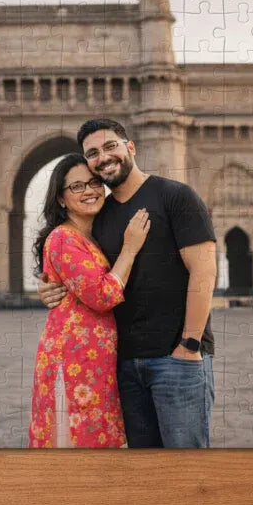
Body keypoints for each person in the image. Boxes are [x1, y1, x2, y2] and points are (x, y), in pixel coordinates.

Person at [39, 119, 218, 448]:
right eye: (93, 153)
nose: (103, 157)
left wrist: (190, 345)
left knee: (187, 471)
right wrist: (50, 286)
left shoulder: (176, 196)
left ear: (130, 147)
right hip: (122, 367)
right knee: (143, 473)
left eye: (110, 146)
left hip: (175, 359)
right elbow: (82, 269)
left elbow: (204, 272)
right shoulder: (99, 216)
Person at [28, 152, 150, 448]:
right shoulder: (62, 239)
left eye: (94, 183)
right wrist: (130, 250)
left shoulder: (93, 236)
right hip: (75, 361)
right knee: (78, 447)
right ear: (60, 198)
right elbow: (103, 295)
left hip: (96, 362)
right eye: (77, 186)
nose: (89, 191)